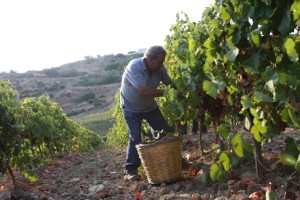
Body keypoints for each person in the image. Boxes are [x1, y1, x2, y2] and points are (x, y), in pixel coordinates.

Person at [120, 45, 175, 181]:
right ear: (150, 59)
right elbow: (143, 90)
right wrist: (168, 93)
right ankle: (131, 170)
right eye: (160, 61)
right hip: (131, 108)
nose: (162, 64)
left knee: (165, 133)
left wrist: (183, 90)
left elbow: (170, 83)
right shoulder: (134, 67)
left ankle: (168, 162)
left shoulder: (159, 68)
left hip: (150, 107)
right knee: (136, 138)